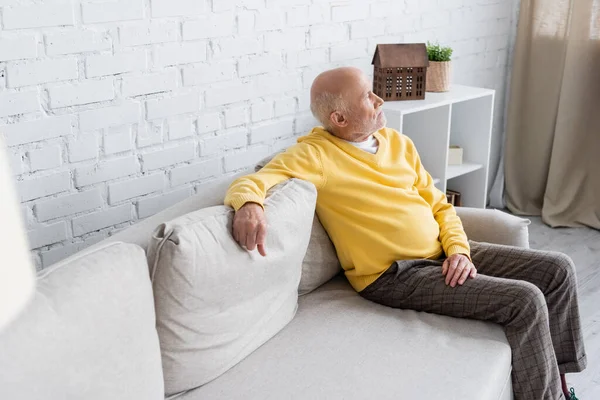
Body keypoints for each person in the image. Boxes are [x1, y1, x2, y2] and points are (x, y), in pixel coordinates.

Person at [224, 67, 586, 400]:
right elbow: (255, 180)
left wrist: (459, 250)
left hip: (444, 254)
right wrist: (249, 204)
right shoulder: (316, 155)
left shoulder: (398, 143)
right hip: (396, 275)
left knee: (557, 270)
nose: (380, 99)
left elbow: (441, 206)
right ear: (339, 118)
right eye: (368, 95)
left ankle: (562, 383)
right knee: (525, 301)